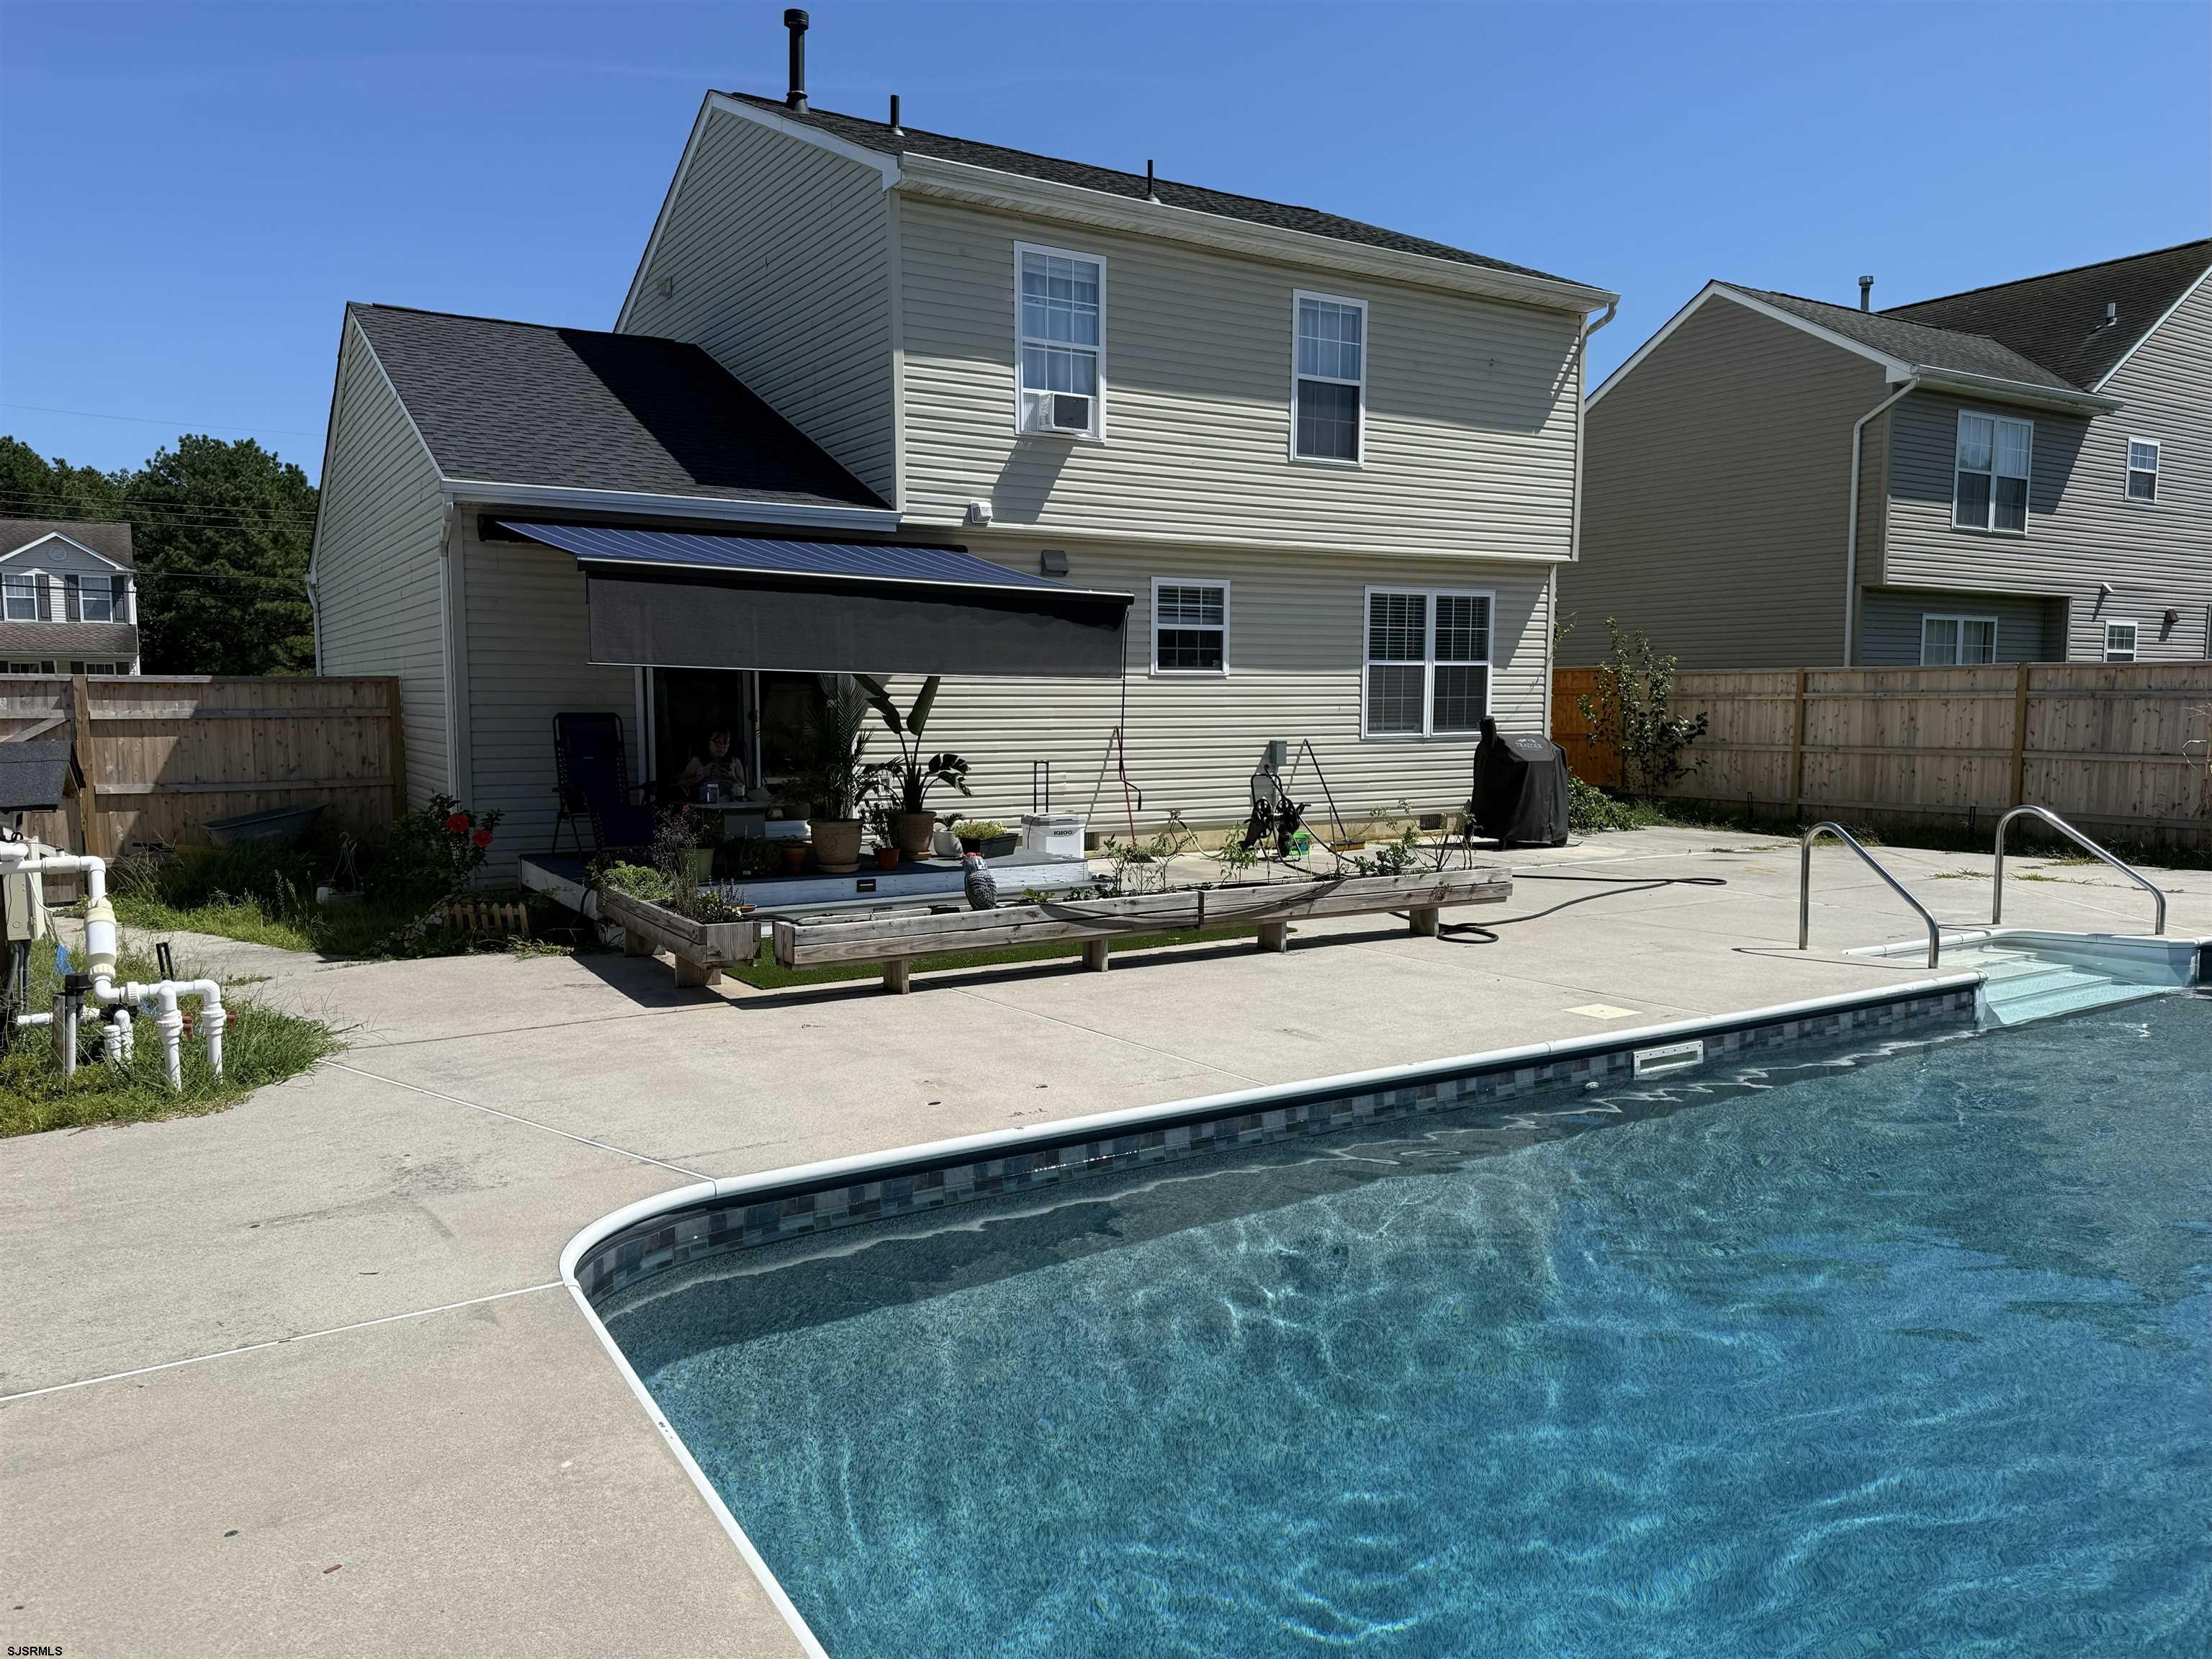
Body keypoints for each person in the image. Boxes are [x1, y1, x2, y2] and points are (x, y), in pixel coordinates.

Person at [678, 728, 746, 802]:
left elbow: (745, 789)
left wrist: (732, 777)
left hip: (730, 803)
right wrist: (704, 775)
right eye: (717, 743)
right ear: (709, 742)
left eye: (725, 744)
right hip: (703, 803)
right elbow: (682, 783)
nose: (721, 748)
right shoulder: (697, 761)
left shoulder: (735, 762)